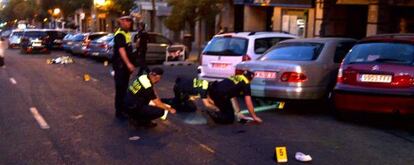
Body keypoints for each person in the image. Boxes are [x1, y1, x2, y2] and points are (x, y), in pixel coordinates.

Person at [112, 16, 135, 119]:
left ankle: (123, 109)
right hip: (120, 66)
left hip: (124, 67)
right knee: (120, 89)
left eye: (130, 22)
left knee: (124, 88)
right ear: (122, 22)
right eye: (127, 22)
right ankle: (119, 112)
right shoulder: (120, 34)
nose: (129, 23)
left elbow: (128, 48)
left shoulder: (127, 33)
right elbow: (122, 50)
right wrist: (128, 64)